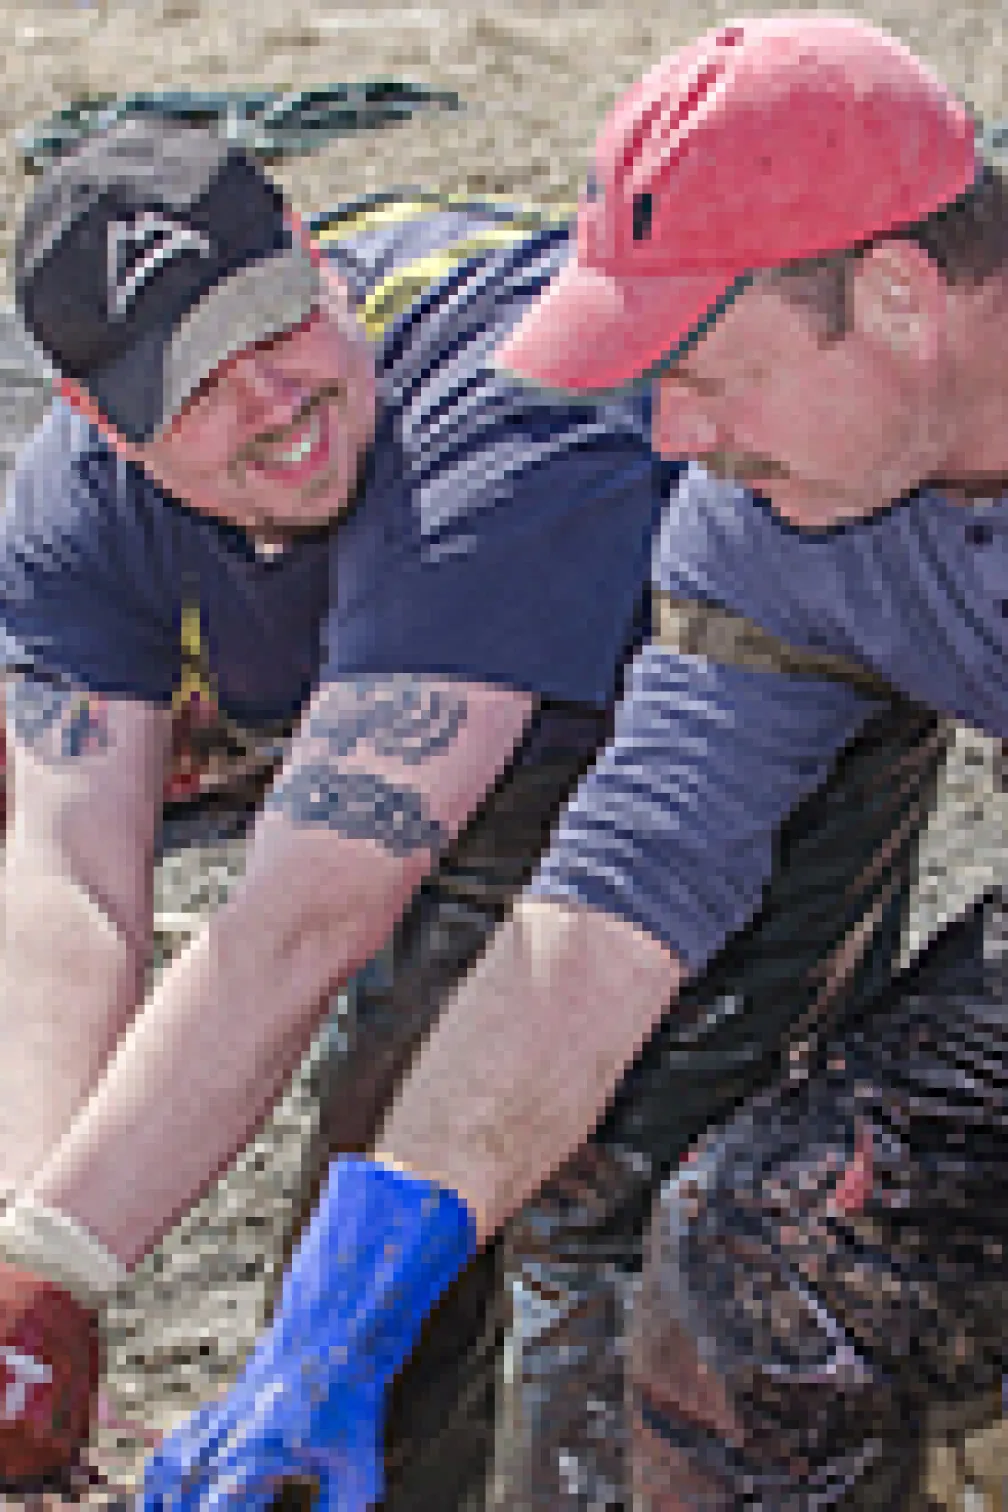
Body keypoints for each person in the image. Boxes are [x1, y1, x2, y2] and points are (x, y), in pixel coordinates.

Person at [132, 12, 1008, 1510]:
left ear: (900, 295)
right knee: (768, 1239)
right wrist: (341, 1317)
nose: (668, 434)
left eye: (708, 374)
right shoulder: (766, 525)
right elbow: (608, 910)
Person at [0, 119, 670, 1492]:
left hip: (695, 746)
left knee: (608, 1241)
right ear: (97, 420)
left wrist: (61, 1273)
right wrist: (25, 1246)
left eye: (277, 322)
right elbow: (72, 878)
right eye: (195, 386)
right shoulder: (75, 507)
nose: (271, 400)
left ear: (315, 256)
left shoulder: (503, 392)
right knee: (351, 1290)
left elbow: (307, 923)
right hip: (407, 763)